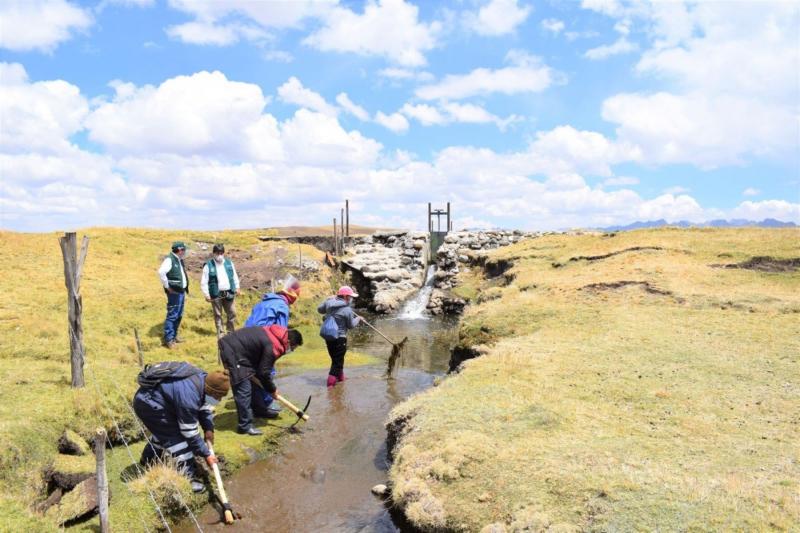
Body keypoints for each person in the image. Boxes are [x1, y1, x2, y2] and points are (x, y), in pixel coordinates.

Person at [133, 362, 230, 493]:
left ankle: (148, 460)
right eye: (218, 397)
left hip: (161, 401)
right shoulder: (190, 396)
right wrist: (206, 454)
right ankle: (188, 478)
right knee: (177, 439)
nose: (218, 400)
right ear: (211, 391)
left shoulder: (203, 381)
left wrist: (208, 428)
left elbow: (204, 407)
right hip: (149, 404)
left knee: (163, 434)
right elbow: (189, 432)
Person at [218, 325, 303, 435]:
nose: (292, 350)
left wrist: (268, 386)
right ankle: (245, 426)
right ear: (288, 342)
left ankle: (259, 410)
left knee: (255, 382)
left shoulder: (277, 334)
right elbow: (264, 373)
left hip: (243, 353)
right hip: (232, 351)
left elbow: (261, 370)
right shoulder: (273, 346)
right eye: (293, 348)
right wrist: (272, 390)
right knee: (244, 390)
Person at [243, 275, 301, 416]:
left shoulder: (264, 302)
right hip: (262, 342)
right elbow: (281, 333)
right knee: (267, 371)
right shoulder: (282, 306)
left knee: (253, 372)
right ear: (293, 296)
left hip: (246, 339)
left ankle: (255, 404)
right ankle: (265, 405)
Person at [318, 286, 361, 388]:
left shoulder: (329, 303)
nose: (351, 299)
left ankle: (341, 378)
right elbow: (351, 326)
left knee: (336, 359)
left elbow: (319, 310)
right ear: (345, 296)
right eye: (350, 297)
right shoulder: (347, 309)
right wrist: (358, 318)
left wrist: (327, 300)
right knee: (337, 362)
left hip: (329, 337)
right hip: (340, 338)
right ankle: (330, 387)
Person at [201, 244, 241, 339]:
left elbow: (234, 276)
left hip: (229, 292)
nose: (219, 255)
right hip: (216, 293)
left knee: (232, 312)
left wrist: (237, 287)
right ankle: (220, 333)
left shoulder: (229, 263)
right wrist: (206, 294)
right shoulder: (208, 265)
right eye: (217, 253)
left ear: (223, 253)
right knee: (218, 314)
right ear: (213, 253)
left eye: (221, 253)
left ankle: (230, 332)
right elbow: (204, 281)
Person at [158, 241, 189, 349]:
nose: (185, 252)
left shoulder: (178, 259)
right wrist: (167, 287)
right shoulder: (169, 259)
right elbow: (161, 272)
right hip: (174, 292)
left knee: (179, 314)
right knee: (172, 315)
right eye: (184, 250)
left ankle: (174, 336)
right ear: (180, 250)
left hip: (180, 291)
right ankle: (169, 339)